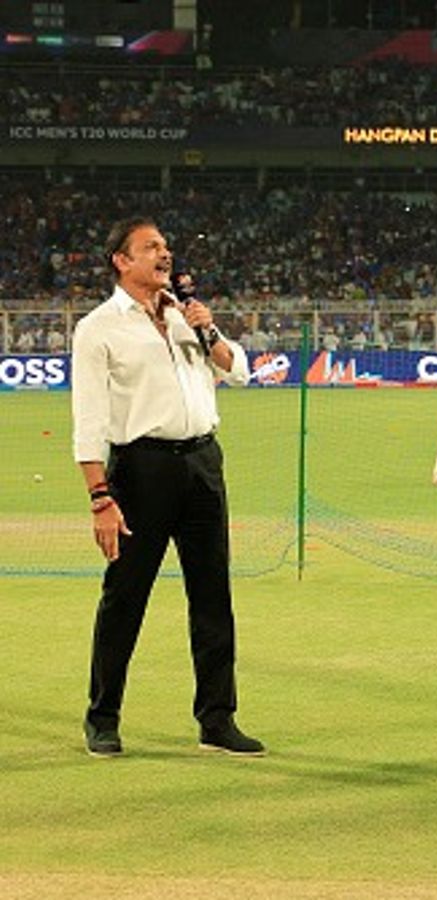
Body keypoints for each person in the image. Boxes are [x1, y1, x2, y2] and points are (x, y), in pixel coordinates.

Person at [71, 217, 262, 758]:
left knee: (212, 598)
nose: (165, 254)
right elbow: (87, 421)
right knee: (125, 597)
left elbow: (240, 372)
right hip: (141, 469)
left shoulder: (186, 318)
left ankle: (217, 720)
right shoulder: (99, 328)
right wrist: (100, 497)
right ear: (121, 261)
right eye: (151, 247)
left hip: (203, 462)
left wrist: (209, 329)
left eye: (166, 246)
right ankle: (102, 718)